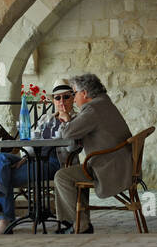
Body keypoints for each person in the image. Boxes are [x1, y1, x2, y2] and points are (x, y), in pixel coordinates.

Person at [0, 80, 77, 235]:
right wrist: (25, 157)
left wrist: (67, 123)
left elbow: (73, 148)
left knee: (4, 176)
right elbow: (31, 140)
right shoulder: (46, 118)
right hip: (34, 158)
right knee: (0, 159)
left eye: (66, 97)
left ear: (73, 98)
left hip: (55, 162)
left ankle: (4, 220)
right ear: (53, 100)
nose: (62, 101)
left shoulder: (76, 119)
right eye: (58, 98)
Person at [53, 74, 133, 234]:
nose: (74, 98)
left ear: (84, 93)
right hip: (120, 164)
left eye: (74, 94)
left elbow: (68, 134)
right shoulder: (104, 103)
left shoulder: (93, 109)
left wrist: (65, 119)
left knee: (62, 176)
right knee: (74, 173)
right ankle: (80, 222)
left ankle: (79, 223)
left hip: (110, 168)